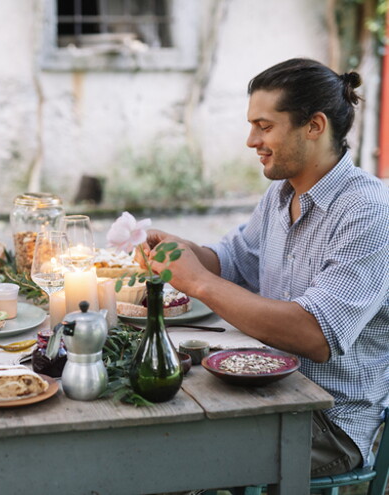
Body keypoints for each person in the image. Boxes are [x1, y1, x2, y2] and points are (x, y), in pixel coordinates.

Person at [142, 58, 389, 477]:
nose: (251, 140)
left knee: (162, 454)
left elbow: (315, 334)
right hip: (265, 386)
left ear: (314, 126)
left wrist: (198, 282)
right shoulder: (280, 195)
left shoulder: (369, 213)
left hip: (327, 421)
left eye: (264, 125)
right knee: (149, 420)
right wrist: (179, 250)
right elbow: (232, 261)